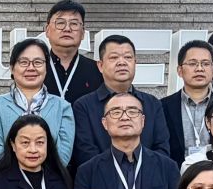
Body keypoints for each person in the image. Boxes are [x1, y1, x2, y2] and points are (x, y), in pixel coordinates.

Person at [71, 33, 172, 171]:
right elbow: (85, 153)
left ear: (135, 63)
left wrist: (137, 175)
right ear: (100, 66)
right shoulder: (84, 106)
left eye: (128, 57)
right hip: (101, 180)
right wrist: (120, 174)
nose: (122, 62)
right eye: (114, 57)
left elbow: (162, 149)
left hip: (148, 179)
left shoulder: (152, 104)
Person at [0, 36, 76, 169]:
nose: (31, 68)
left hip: (50, 179)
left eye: (38, 62)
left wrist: (38, 174)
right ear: (12, 68)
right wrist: (22, 173)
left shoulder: (62, 107)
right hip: (7, 178)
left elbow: (63, 156)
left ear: (46, 67)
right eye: (24, 62)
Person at [159, 39, 213, 158]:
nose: (199, 69)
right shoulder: (163, 107)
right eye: (192, 63)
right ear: (180, 71)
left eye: (206, 64)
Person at [41, 0, 103, 105]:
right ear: (47, 30)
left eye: (74, 23)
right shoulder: (35, 68)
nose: (67, 29)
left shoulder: (98, 71)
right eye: (60, 23)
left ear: (83, 32)